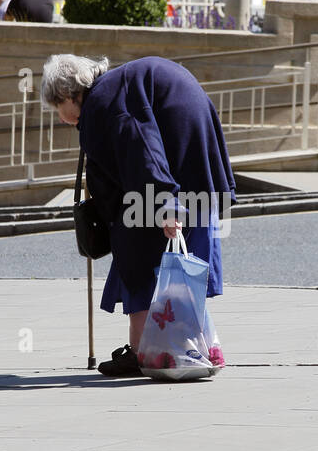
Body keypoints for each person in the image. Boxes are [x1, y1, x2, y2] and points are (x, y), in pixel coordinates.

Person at [41, 54, 235, 377]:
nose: (61, 118)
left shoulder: (105, 102)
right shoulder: (108, 93)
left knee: (135, 248)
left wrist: (166, 203)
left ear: (71, 95)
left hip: (175, 161)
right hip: (190, 149)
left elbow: (142, 147)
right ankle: (175, 345)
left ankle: (148, 351)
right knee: (168, 257)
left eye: (58, 108)